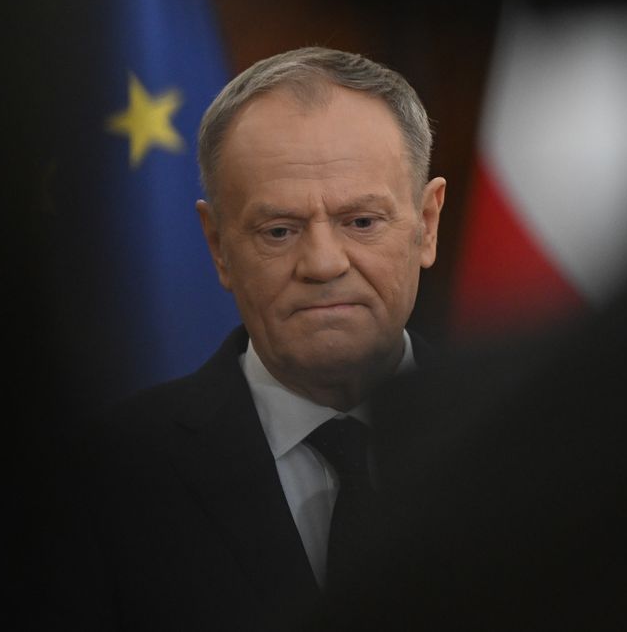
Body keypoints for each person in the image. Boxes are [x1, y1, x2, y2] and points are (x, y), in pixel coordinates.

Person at [45, 46, 446, 631]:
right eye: (279, 230)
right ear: (218, 246)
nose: (323, 263)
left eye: (361, 222)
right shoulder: (100, 483)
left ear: (426, 224)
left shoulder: (532, 439)